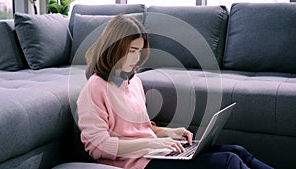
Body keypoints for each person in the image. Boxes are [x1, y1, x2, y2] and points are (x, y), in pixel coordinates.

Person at [77, 14, 273, 169]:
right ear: (114, 48)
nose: (136, 58)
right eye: (131, 51)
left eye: (140, 50)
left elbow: (141, 127)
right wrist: (150, 145)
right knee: (228, 161)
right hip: (136, 162)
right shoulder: (95, 88)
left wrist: (168, 132)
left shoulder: (133, 81)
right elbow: (98, 147)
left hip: (155, 151)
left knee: (238, 151)